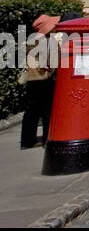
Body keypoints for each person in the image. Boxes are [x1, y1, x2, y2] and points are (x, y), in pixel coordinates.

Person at [19, 14, 60, 149]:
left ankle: (27, 141)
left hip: (32, 78)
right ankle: (48, 138)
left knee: (31, 110)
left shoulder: (32, 40)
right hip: (44, 79)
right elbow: (50, 62)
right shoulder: (47, 41)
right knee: (47, 110)